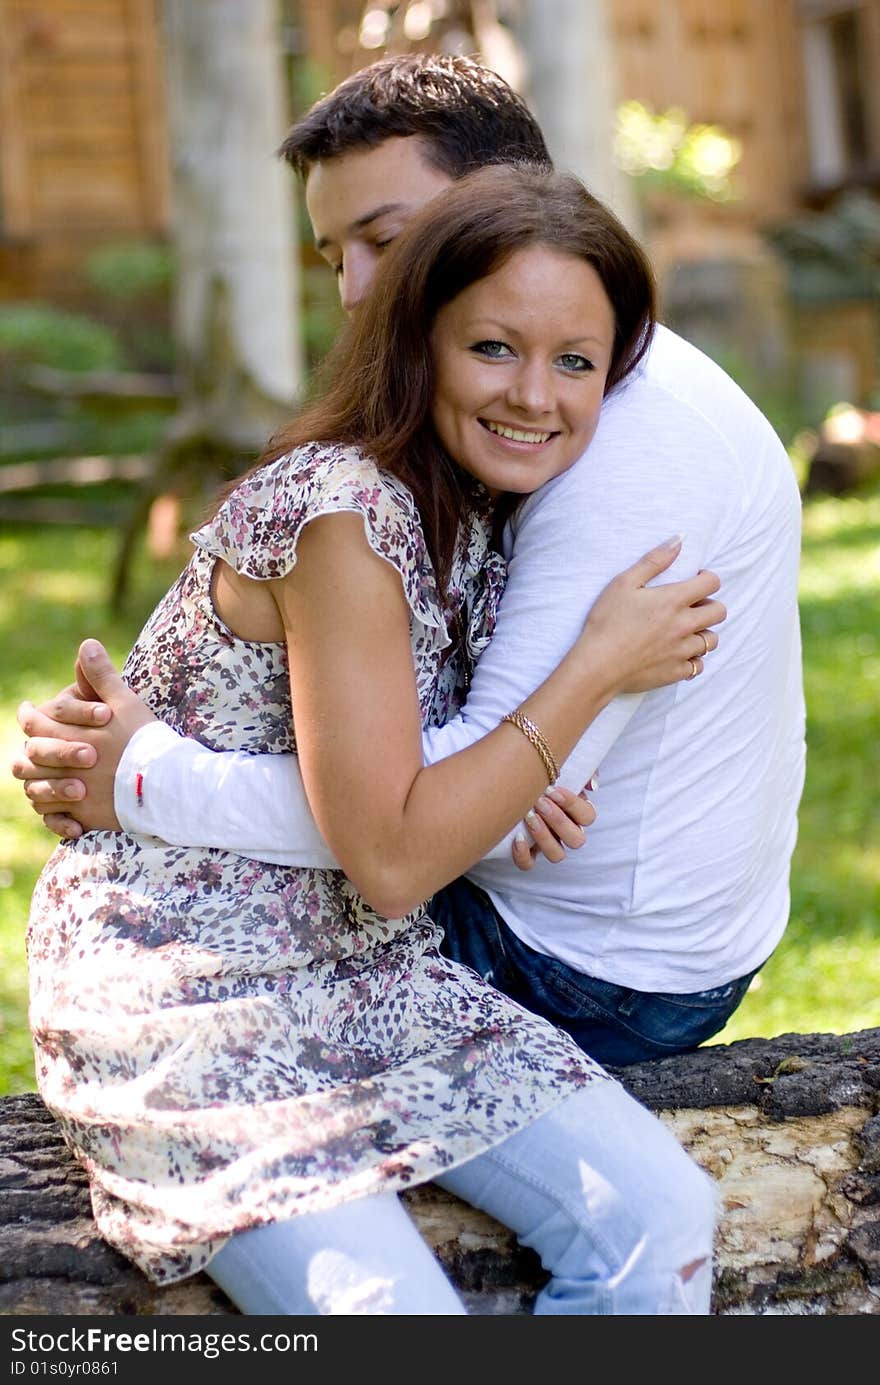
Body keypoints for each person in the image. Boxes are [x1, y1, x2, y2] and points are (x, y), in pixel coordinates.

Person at [23, 164, 722, 1316]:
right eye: (492, 348)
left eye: (576, 362)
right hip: (189, 985)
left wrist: (482, 780)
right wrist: (595, 667)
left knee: (661, 1219)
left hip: (366, 965)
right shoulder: (341, 512)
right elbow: (396, 849)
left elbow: (410, 801)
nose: (535, 396)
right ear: (416, 342)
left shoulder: (487, 507)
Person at [15, 53, 805, 1069]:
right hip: (537, 887)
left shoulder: (623, 449)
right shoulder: (523, 411)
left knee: (206, 947)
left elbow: (411, 834)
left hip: (573, 962)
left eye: (387, 240)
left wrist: (141, 776)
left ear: (503, 209)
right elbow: (468, 775)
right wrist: (513, 771)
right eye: (332, 253)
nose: (353, 289)